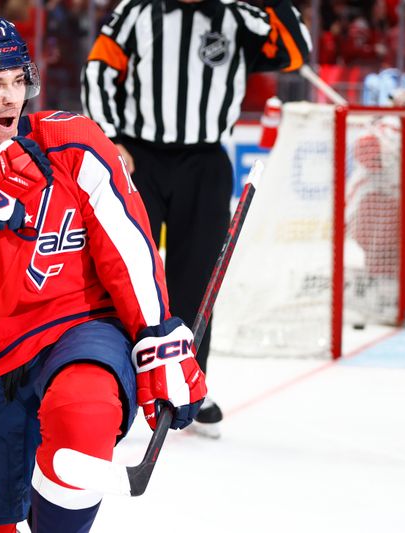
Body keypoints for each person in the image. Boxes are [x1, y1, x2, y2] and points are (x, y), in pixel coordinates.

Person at [0, 17, 207, 532]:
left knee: (83, 412)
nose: (11, 98)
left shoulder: (70, 141)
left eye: (18, 80)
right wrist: (7, 219)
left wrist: (156, 336)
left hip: (86, 331)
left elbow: (126, 245)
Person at [82, 0, 311, 438]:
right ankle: (113, 386)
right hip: (138, 157)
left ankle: (188, 386)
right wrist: (109, 139)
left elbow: (296, 52)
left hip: (206, 162)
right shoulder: (137, 10)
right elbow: (98, 70)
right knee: (126, 274)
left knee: (198, 279)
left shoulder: (240, 15)